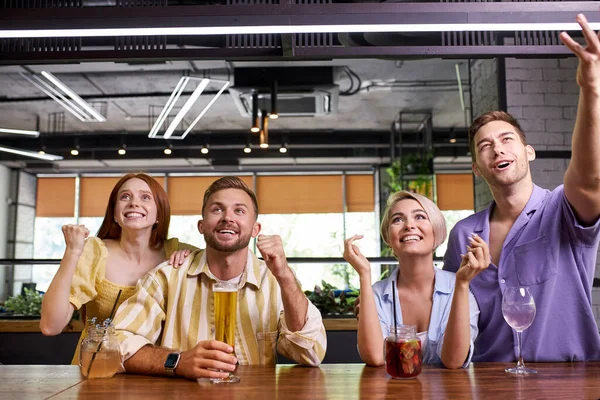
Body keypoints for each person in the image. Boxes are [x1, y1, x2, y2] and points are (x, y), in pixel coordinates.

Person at [443, 14, 600, 362]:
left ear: (528, 152)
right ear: (477, 169)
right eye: (485, 146)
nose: (497, 149)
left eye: (506, 139)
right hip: (489, 383)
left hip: (569, 383)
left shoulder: (562, 209)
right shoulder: (464, 235)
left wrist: (591, 90)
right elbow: (451, 318)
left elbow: (590, 178)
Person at [112, 176, 327, 379]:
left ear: (255, 229)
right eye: (217, 209)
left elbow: (311, 353)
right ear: (201, 226)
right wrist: (177, 361)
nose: (227, 218)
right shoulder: (166, 278)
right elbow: (114, 345)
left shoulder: (275, 281)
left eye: (239, 210)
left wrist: (285, 276)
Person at [39, 173, 195, 363]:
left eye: (145, 197)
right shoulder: (94, 251)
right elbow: (50, 326)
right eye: (125, 197)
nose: (134, 203)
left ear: (159, 214)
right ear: (114, 213)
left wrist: (195, 258)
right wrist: (72, 252)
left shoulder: (178, 254)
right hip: (96, 368)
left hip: (155, 369)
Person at [344, 191, 489, 369]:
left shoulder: (459, 288)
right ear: (388, 238)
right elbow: (375, 357)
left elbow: (454, 361)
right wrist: (364, 275)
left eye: (419, 217)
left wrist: (462, 284)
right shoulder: (376, 294)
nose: (409, 225)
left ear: (437, 232)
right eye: (397, 219)